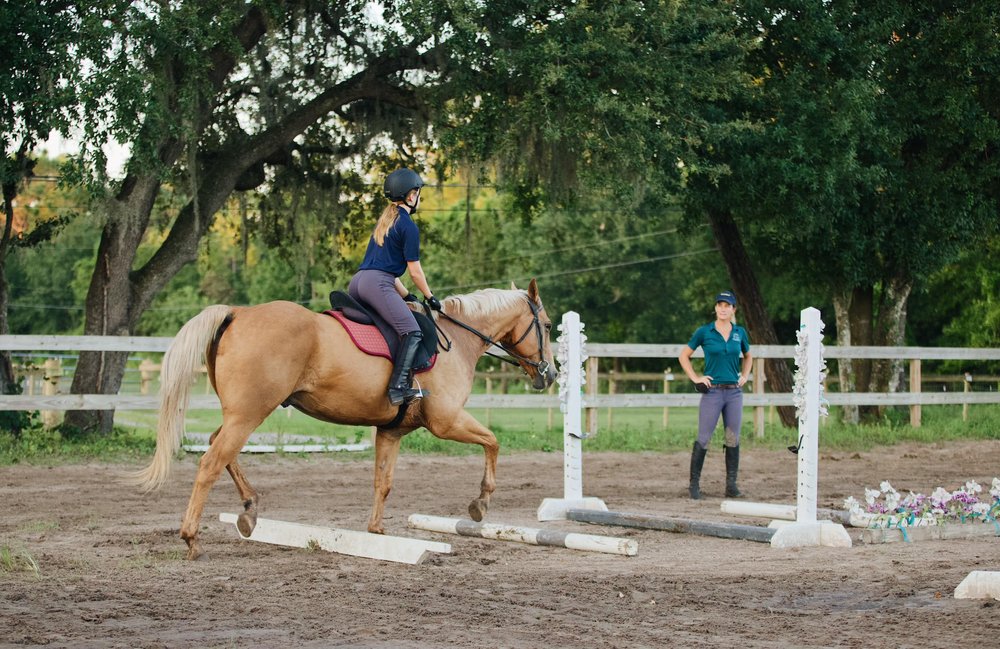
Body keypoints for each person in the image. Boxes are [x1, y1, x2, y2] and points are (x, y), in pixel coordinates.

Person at [349, 167, 442, 406]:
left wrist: (407, 295)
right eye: (418, 193)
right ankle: (398, 387)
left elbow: (387, 268)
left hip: (359, 282)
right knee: (413, 331)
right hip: (378, 284)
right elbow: (415, 271)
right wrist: (430, 297)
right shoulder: (408, 225)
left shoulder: (385, 223)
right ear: (411, 196)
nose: (419, 197)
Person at [678, 290, 753, 500]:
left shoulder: (740, 333)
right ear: (715, 308)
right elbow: (684, 356)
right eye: (720, 305)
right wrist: (695, 378)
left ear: (733, 309)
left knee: (733, 438)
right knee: (704, 437)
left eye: (727, 305)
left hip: (734, 393)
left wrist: (745, 375)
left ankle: (731, 485)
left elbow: (748, 356)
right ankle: (693, 484)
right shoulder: (705, 331)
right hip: (712, 392)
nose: (723, 308)